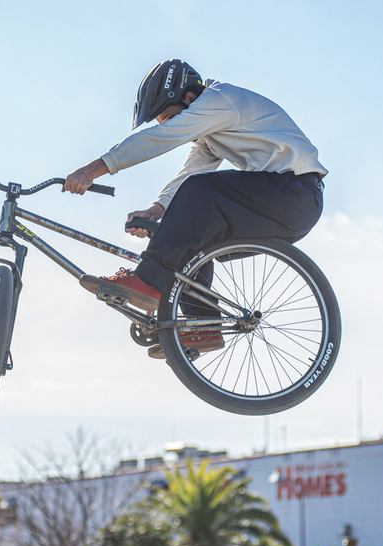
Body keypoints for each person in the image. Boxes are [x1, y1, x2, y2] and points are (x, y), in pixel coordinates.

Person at [63, 59, 327, 358]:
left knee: (201, 191)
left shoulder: (221, 100)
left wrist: (93, 169)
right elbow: (191, 171)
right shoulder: (212, 129)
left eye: (168, 116)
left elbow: (161, 140)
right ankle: (203, 325)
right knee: (192, 241)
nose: (168, 125)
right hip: (280, 205)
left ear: (189, 98)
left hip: (294, 194)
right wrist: (157, 210)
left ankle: (148, 281)